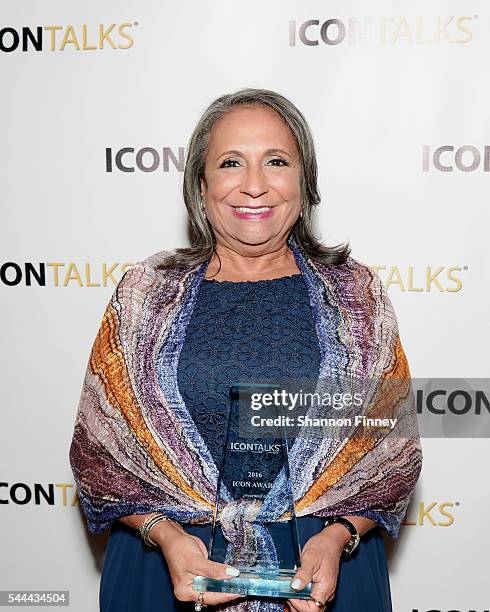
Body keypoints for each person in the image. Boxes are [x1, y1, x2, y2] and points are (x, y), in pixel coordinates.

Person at [69, 88, 422, 612]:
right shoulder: (144, 295)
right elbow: (100, 454)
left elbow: (391, 454)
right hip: (167, 567)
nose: (254, 185)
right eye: (231, 162)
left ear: (304, 182)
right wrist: (165, 535)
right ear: (200, 183)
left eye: (276, 162)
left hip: (320, 569)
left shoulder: (356, 297)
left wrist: (339, 534)